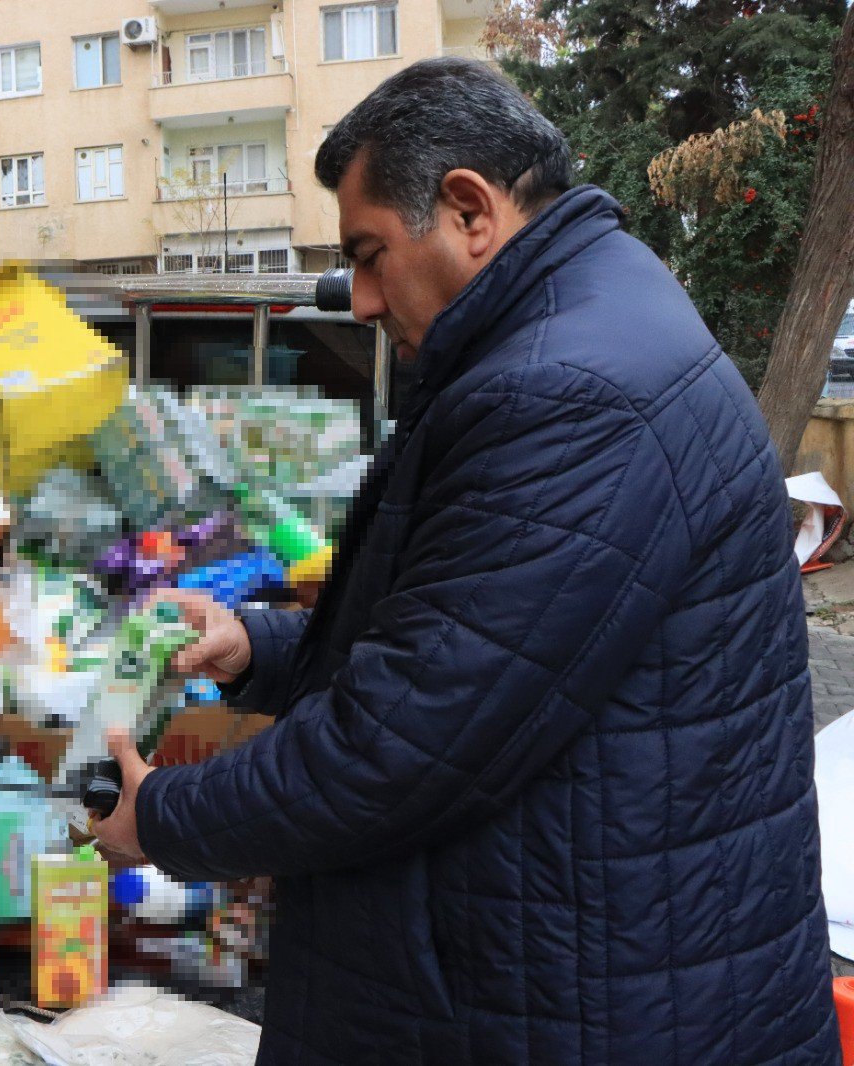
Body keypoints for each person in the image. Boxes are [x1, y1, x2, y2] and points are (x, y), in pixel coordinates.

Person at [93, 58, 839, 1064]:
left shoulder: (568, 394)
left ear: (468, 210)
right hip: (586, 954)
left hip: (577, 994)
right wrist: (257, 648)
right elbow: (469, 630)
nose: (357, 300)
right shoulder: (574, 330)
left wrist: (171, 815)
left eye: (368, 255)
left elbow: (401, 741)